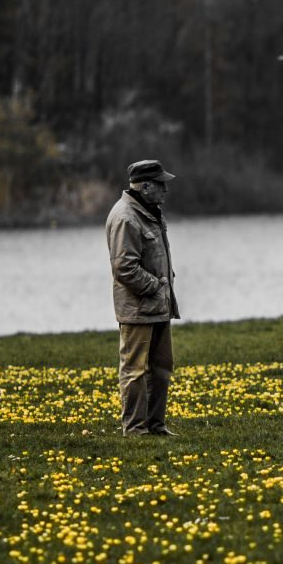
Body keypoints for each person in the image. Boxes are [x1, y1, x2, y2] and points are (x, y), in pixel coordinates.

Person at [106, 159, 180, 436]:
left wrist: (162, 293)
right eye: (161, 184)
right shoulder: (125, 217)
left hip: (158, 306)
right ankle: (135, 429)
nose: (166, 190)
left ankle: (156, 425)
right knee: (135, 370)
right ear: (145, 186)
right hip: (138, 308)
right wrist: (156, 286)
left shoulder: (150, 211)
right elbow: (124, 268)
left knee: (161, 367)